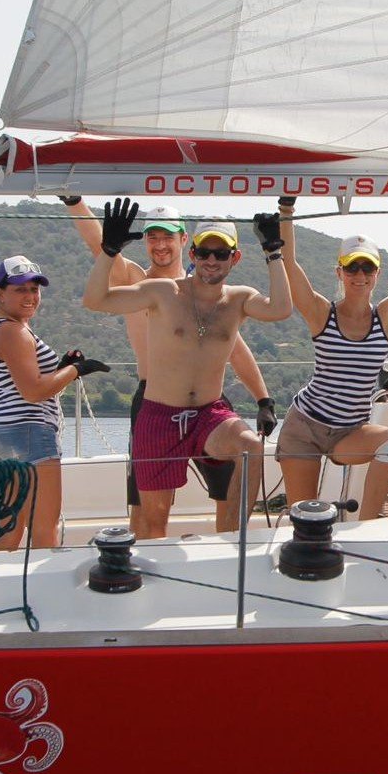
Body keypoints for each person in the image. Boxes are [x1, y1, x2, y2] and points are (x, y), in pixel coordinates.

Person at [61, 195, 275, 531]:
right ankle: (145, 557)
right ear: (144, 241)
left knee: (228, 483)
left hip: (208, 402)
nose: (160, 245)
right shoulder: (135, 278)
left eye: (168, 237)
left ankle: (229, 549)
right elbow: (96, 245)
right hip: (154, 399)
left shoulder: (209, 285)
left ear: (184, 241)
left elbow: (236, 347)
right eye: (152, 237)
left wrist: (263, 399)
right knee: (144, 507)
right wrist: (75, 202)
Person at [275, 195, 388, 519]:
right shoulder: (322, 313)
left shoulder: (387, 317)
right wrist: (286, 212)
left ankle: (367, 528)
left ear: (378, 273)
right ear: (340, 271)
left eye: (368, 267)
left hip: (348, 432)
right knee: (304, 522)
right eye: (352, 266)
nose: (360, 274)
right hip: (304, 428)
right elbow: (289, 264)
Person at [0, 254, 109, 552]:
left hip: (0, 431)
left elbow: (23, 383)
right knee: (45, 527)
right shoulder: (14, 331)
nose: (30, 296)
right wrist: (76, 370)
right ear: (0, 292)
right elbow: (33, 392)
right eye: (20, 289)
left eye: (35, 289)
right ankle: (43, 594)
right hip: (29, 432)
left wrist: (61, 368)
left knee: (9, 527)